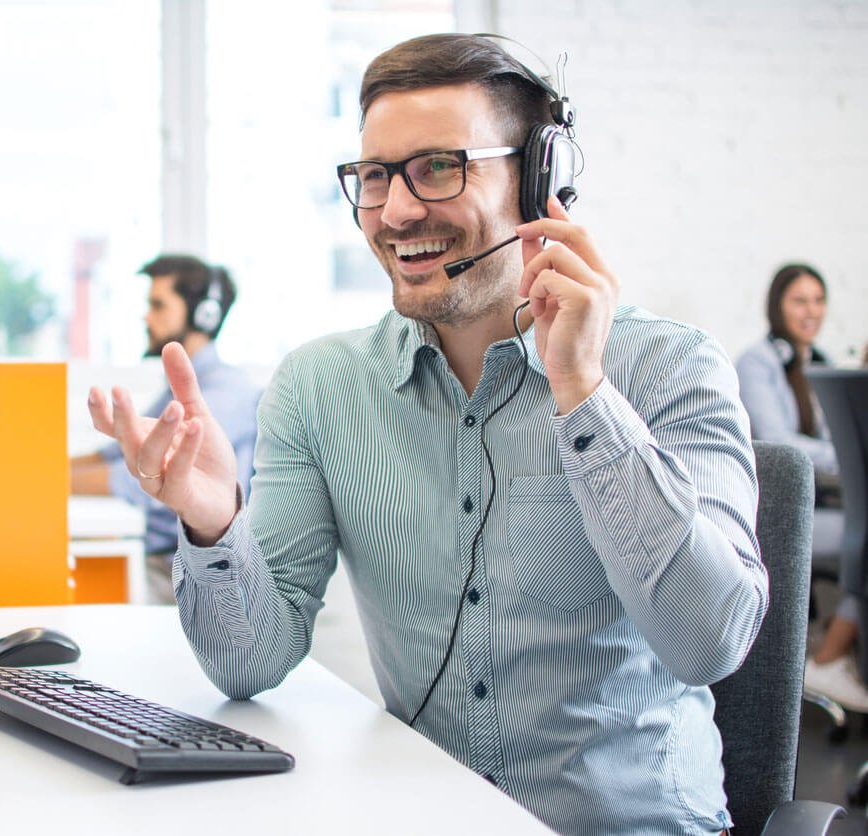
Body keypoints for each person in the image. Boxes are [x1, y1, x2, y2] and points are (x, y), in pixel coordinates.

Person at [88, 35, 764, 834]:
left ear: (538, 179)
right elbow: (249, 663)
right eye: (375, 176)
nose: (398, 211)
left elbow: (710, 643)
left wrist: (585, 396)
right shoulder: (320, 388)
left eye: (439, 166)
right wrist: (212, 522)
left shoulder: (671, 367)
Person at [70, 254, 260, 603]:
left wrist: (40, 484)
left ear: (204, 315)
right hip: (158, 557)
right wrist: (43, 471)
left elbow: (138, 478)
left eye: (158, 305)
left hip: (187, 571)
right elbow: (117, 451)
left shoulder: (223, 393)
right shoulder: (178, 388)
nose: (146, 317)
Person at [736, 265, 868, 711]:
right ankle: (830, 656)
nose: (811, 311)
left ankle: (838, 642)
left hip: (822, 505)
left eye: (818, 300)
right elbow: (781, 446)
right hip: (776, 517)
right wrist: (849, 453)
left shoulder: (822, 363)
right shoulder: (759, 362)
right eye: (799, 300)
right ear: (777, 306)